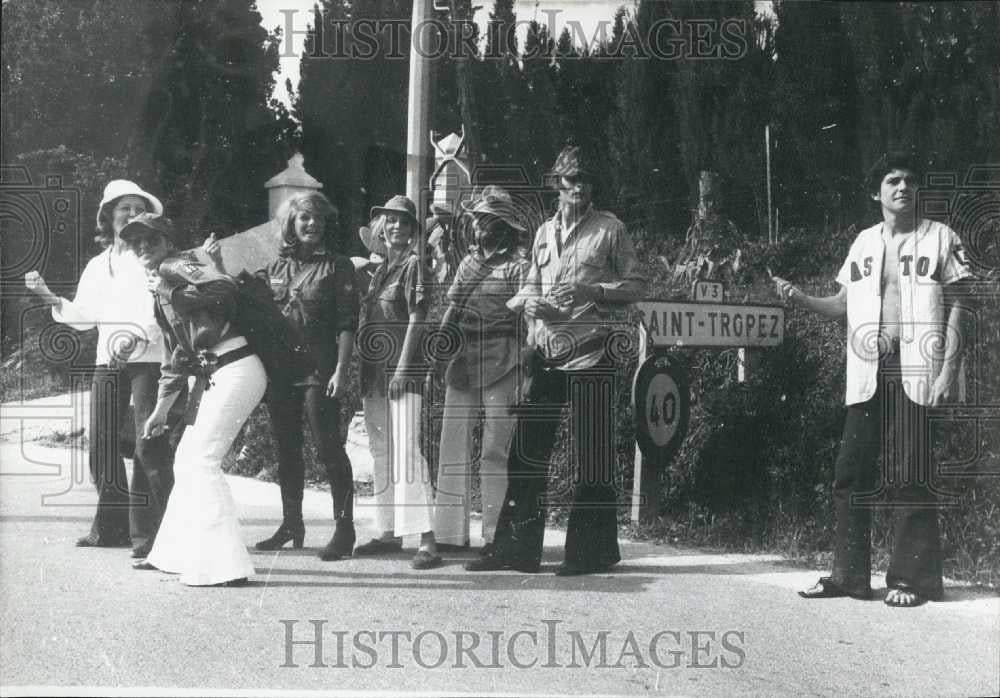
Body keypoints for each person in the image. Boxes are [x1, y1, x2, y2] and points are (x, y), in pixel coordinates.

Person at [772, 151, 973, 607]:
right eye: (892, 181)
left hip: (918, 364)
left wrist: (949, 369)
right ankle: (849, 577)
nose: (902, 187)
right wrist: (801, 298)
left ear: (918, 189)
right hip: (867, 368)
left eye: (909, 180)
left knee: (911, 470)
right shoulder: (863, 243)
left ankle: (911, 580)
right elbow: (843, 303)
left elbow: (962, 304)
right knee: (851, 471)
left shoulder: (941, 238)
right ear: (875, 192)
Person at [465, 145, 646, 576]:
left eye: (585, 180)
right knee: (525, 455)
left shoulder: (609, 229)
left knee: (592, 460)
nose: (578, 188)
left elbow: (637, 284)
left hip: (591, 352)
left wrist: (594, 292)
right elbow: (529, 287)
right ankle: (516, 551)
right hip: (546, 354)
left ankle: (590, 553)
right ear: (556, 184)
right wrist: (530, 308)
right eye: (570, 180)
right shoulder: (544, 233)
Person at [24, 180, 173, 560]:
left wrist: (136, 339)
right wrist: (48, 296)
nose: (132, 215)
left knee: (146, 444)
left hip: (150, 360)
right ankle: (111, 528)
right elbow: (86, 317)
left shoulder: (151, 254)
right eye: (125, 208)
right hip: (107, 361)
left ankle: (149, 537)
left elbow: (164, 309)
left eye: (140, 209)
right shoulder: (97, 264)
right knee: (102, 444)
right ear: (108, 215)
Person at [123, 213, 265, 587]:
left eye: (150, 239)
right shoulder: (159, 287)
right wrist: (160, 410)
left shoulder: (176, 265)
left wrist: (169, 290)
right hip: (215, 373)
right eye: (136, 241)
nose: (142, 247)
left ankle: (227, 565)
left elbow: (224, 289)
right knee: (187, 459)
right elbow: (176, 359)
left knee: (201, 461)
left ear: (167, 240)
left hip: (236, 365)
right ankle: (173, 553)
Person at [243, 192, 361, 561]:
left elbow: (346, 324)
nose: (313, 225)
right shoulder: (275, 268)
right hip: (282, 371)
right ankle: (291, 523)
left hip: (320, 369)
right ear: (292, 224)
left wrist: (341, 370)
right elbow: (246, 297)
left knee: (328, 447)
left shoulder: (338, 266)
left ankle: (345, 530)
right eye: (305, 218)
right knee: (287, 449)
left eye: (319, 219)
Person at [427, 189, 529, 552]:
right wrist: (437, 355)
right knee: (452, 442)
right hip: (463, 362)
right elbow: (452, 310)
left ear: (505, 226)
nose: (484, 226)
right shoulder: (468, 263)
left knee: (494, 450)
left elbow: (528, 321)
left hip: (504, 362)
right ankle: (449, 534)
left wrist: (527, 370)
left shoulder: (519, 266)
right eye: (479, 219)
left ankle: (494, 534)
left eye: (491, 220)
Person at [355, 195, 441, 569]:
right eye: (390, 221)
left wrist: (404, 369)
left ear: (413, 230)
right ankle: (388, 531)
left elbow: (417, 319)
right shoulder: (378, 271)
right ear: (380, 227)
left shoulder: (414, 266)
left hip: (402, 371)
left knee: (407, 451)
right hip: (373, 374)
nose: (396, 228)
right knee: (381, 452)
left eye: (404, 222)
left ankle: (427, 540)